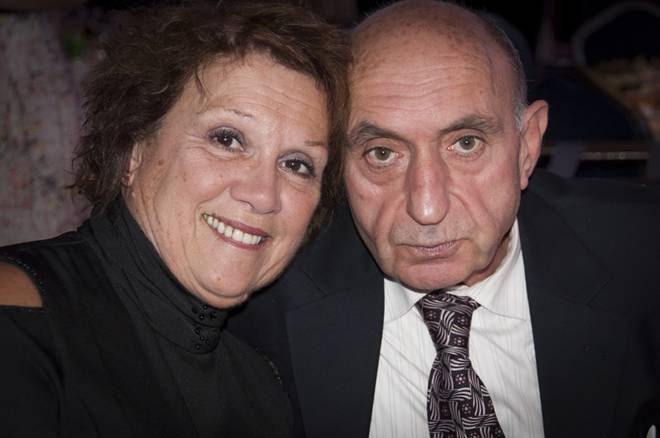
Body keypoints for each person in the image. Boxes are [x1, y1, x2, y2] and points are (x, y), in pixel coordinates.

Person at [227, 1, 660, 437]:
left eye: (466, 144)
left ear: (527, 147)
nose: (427, 208)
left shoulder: (642, 254)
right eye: (382, 153)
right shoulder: (258, 293)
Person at [0, 2, 349, 437]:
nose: (263, 195)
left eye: (297, 165)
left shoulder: (264, 386)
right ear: (133, 150)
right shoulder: (20, 318)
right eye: (228, 139)